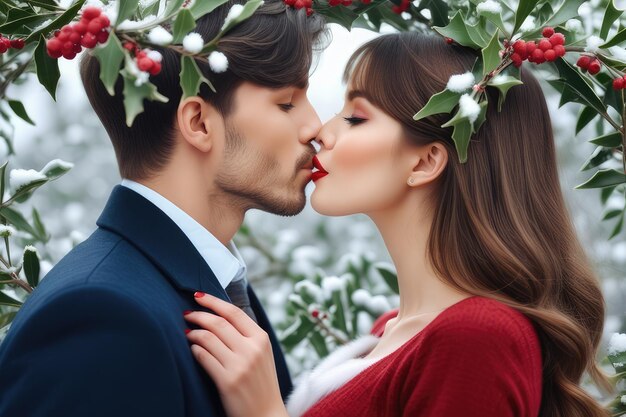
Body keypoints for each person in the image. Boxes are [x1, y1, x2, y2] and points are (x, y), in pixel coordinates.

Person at [183, 32, 612, 417]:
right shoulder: (390, 333)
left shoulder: (476, 339)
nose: (320, 132)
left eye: (355, 117)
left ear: (426, 161)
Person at [0, 2, 326, 416]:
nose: (315, 127)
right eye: (287, 103)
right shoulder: (101, 319)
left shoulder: (215, 289)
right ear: (199, 123)